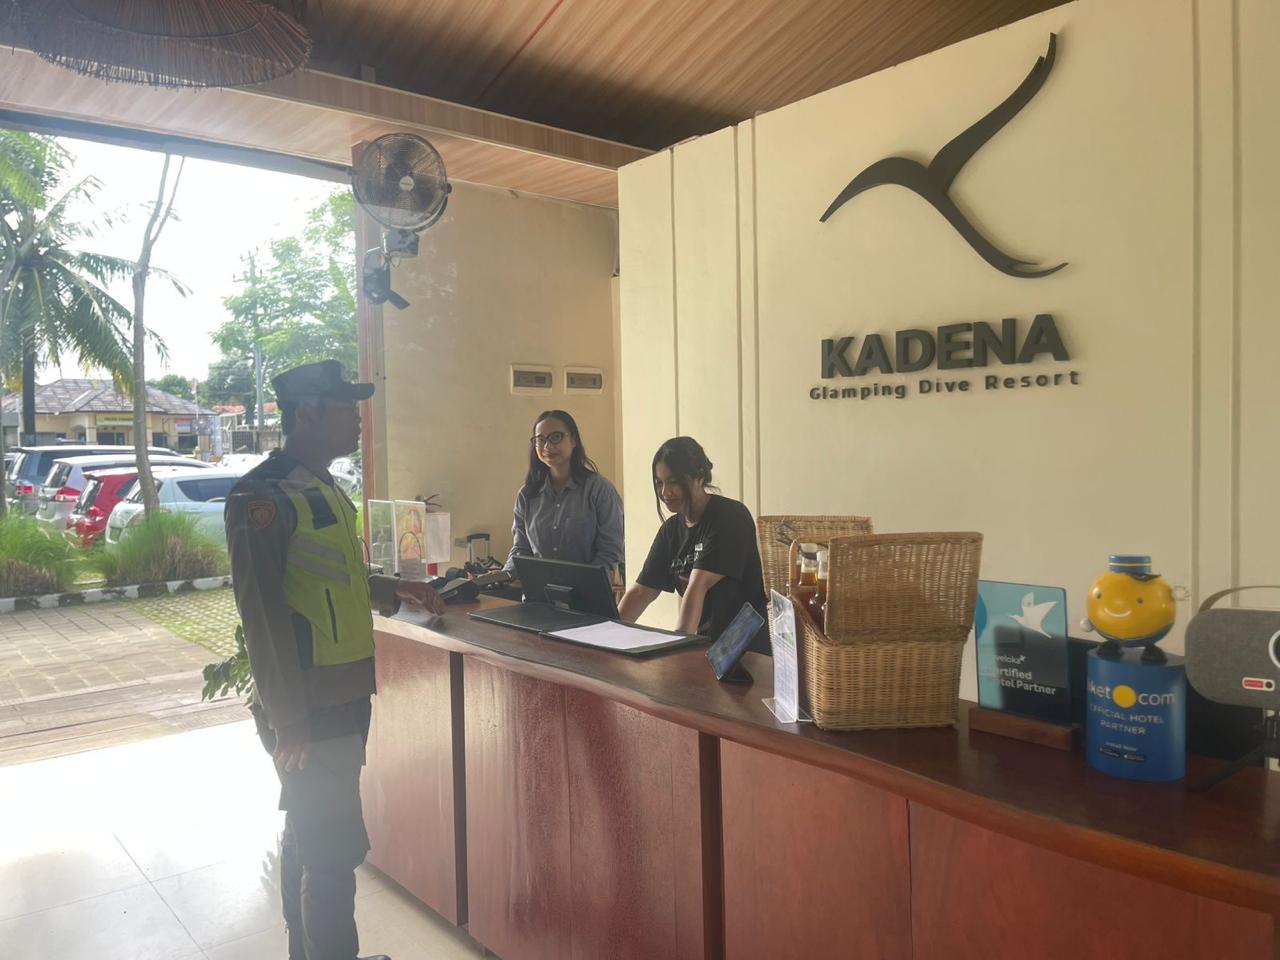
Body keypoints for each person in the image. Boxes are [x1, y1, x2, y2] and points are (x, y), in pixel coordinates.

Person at [225, 359, 445, 960]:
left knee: (310, 834)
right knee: (331, 854)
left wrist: (393, 589)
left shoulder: (320, 486)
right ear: (307, 413)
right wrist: (289, 719)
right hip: (310, 708)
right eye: (345, 408)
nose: (356, 419)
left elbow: (334, 577)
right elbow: (262, 614)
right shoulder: (263, 496)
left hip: (341, 696)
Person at [618, 436, 769, 652]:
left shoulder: (730, 517)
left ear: (699, 477)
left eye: (674, 482)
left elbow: (698, 586)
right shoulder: (671, 530)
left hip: (747, 649)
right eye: (659, 482)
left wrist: (679, 650)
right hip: (707, 645)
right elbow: (642, 592)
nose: (665, 492)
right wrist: (608, 635)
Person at [503, 409, 624, 577]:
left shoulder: (599, 489)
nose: (547, 446)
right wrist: (500, 577)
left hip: (587, 590)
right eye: (540, 440)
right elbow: (521, 549)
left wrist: (578, 583)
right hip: (540, 590)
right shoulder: (527, 494)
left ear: (573, 440)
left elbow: (610, 551)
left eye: (555, 437)